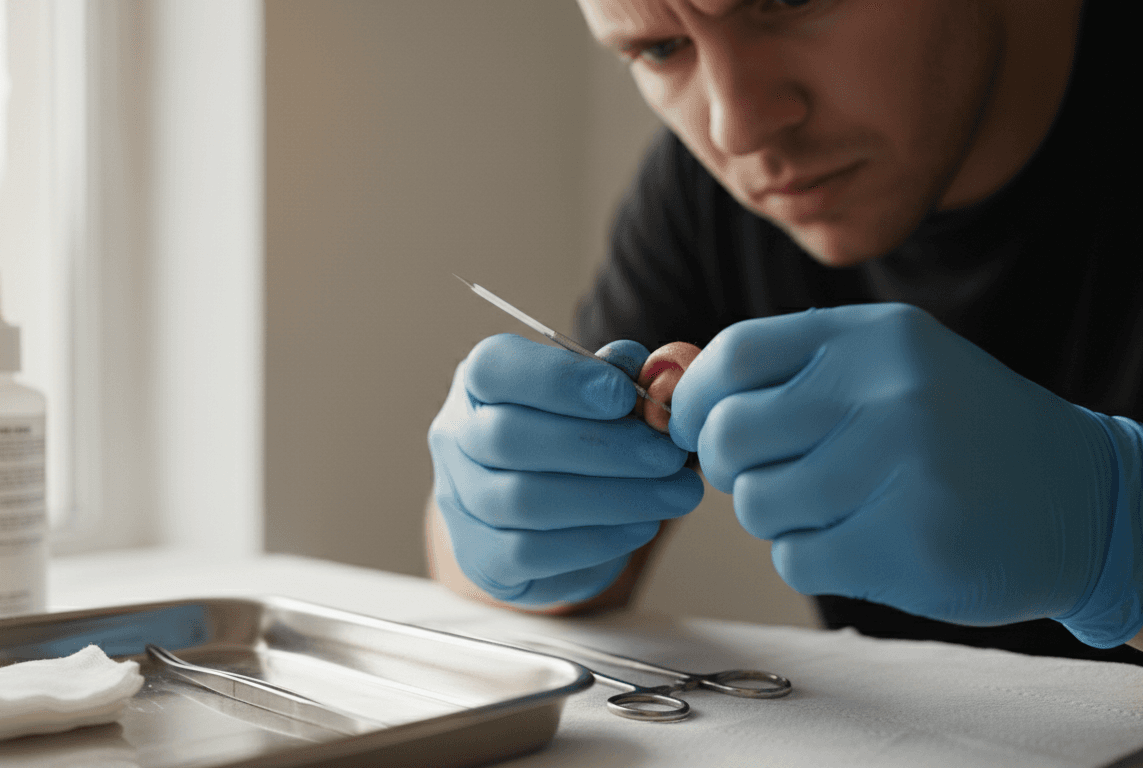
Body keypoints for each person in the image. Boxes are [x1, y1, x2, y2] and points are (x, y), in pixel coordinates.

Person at [425, 0, 1143, 665]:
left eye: (788, 0)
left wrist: (1121, 536)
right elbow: (496, 567)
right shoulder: (706, 195)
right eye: (662, 47)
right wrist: (508, 520)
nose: (737, 127)